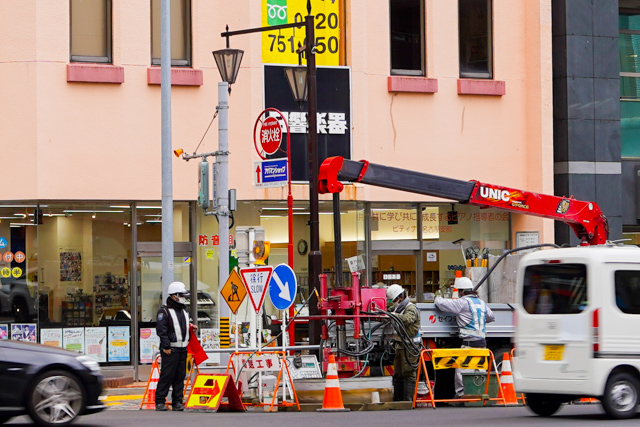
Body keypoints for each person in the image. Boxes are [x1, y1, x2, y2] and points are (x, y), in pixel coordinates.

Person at [434, 277, 495, 401]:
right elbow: (491, 317)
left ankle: (463, 396)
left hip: (469, 343)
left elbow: (441, 304)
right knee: (479, 370)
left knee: (461, 371)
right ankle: (479, 393)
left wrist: (437, 296)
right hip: (482, 343)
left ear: (461, 291)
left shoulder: (462, 303)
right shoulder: (481, 303)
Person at [155, 281, 197, 411]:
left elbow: (184, 324)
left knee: (180, 376)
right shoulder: (164, 311)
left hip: (183, 348)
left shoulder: (184, 310)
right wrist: (166, 347)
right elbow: (162, 331)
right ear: (174, 296)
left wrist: (191, 327)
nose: (183, 298)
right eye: (181, 295)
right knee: (167, 376)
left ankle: (177, 402)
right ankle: (160, 401)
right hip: (170, 349)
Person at [386, 284, 421, 402]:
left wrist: (394, 315)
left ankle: (407, 400)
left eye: (395, 300)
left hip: (410, 346)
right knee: (398, 373)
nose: (394, 302)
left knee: (408, 372)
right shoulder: (398, 308)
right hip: (400, 345)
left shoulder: (411, 308)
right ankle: (398, 400)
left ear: (401, 297)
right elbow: (387, 311)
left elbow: (407, 319)